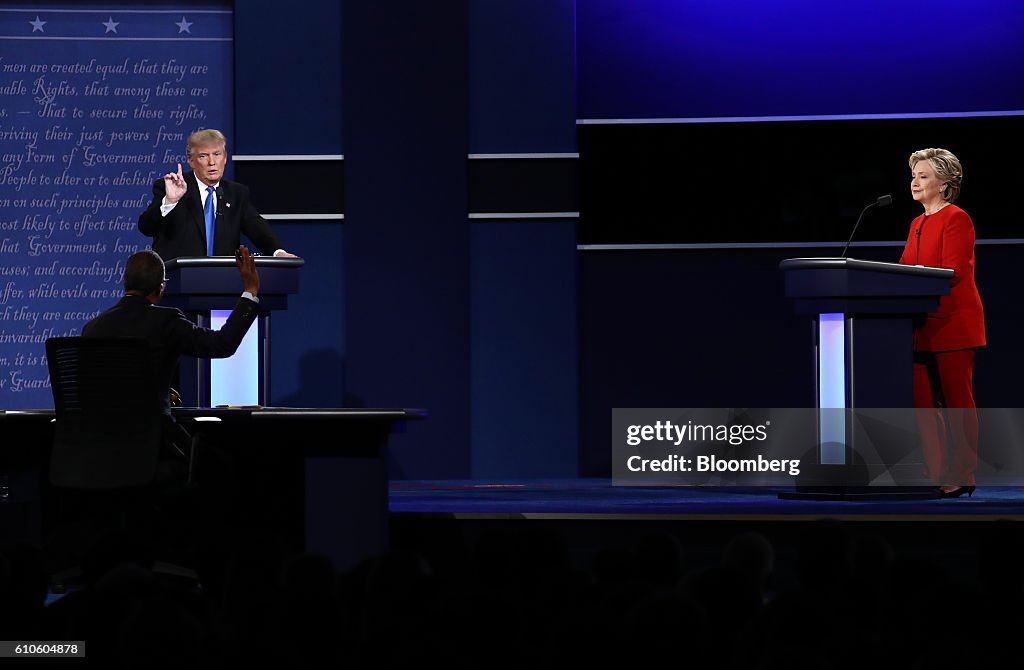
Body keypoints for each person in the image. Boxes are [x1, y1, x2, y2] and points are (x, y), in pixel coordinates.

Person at [82, 246, 261, 458]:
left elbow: (105, 384)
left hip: (99, 453)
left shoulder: (93, 328)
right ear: (160, 288)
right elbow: (222, 344)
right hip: (154, 449)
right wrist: (250, 291)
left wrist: (153, 388)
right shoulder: (166, 321)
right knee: (224, 464)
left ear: (125, 283)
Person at [897, 148, 985, 498]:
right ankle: (932, 470)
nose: (914, 182)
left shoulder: (956, 218)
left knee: (956, 401)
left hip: (953, 323)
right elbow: (904, 267)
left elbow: (954, 271)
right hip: (920, 326)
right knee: (923, 403)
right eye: (914, 176)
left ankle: (963, 473)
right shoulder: (916, 223)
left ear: (945, 183)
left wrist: (913, 277)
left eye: (923, 176)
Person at [138, 128, 296, 260]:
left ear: (225, 158)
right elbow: (146, 227)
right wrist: (170, 202)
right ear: (191, 161)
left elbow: (256, 226)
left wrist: (278, 252)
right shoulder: (172, 187)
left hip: (222, 281)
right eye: (203, 156)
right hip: (179, 283)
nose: (212, 162)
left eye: (217, 154)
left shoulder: (236, 193)